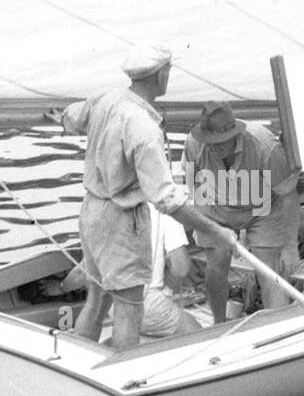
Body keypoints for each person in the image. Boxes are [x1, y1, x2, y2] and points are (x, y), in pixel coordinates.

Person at [56, 42, 206, 350]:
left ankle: (77, 363)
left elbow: (71, 116)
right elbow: (165, 198)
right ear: (160, 75)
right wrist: (215, 230)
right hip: (122, 218)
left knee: (97, 300)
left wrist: (58, 118)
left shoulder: (105, 99)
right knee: (128, 309)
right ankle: (123, 378)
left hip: (92, 211)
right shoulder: (144, 126)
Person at [184, 102, 297, 322]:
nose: (213, 147)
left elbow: (289, 195)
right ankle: (219, 322)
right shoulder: (194, 143)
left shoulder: (266, 147)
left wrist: (291, 247)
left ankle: (279, 327)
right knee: (215, 265)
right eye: (209, 142)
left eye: (218, 143)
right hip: (217, 204)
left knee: (268, 270)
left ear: (234, 135)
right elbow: (195, 184)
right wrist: (212, 227)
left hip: (262, 208)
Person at [141, 204, 201, 337]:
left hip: (114, 303)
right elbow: (181, 267)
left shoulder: (115, 205)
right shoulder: (167, 212)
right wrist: (167, 289)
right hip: (148, 304)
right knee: (199, 335)